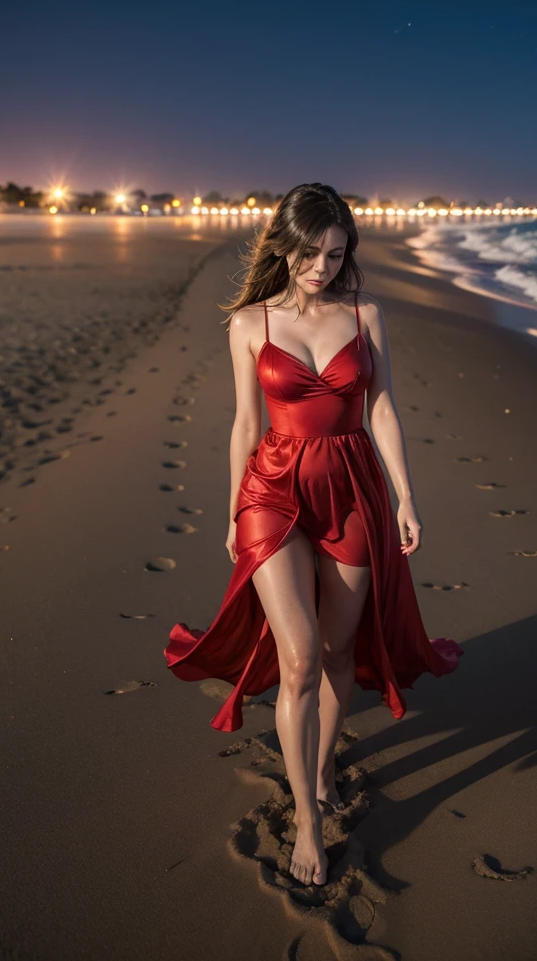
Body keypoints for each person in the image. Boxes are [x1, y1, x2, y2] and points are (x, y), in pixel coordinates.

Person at [163, 182, 462, 888]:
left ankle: (324, 765)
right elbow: (244, 424)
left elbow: (382, 405)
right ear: (283, 246)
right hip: (274, 490)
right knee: (297, 656)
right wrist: (235, 510)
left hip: (353, 487)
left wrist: (405, 497)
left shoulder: (365, 313)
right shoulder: (249, 324)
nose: (321, 267)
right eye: (309, 253)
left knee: (334, 650)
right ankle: (306, 815)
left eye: (335, 253)